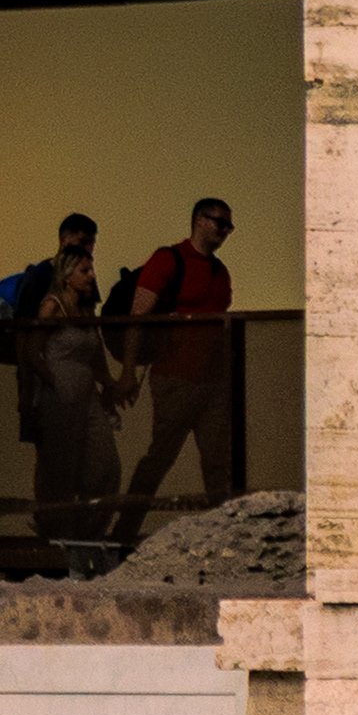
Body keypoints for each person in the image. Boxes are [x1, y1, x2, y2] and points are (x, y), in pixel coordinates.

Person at [0, 213, 120, 551]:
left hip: (84, 390)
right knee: (57, 466)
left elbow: (94, 342)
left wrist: (109, 383)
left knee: (102, 465)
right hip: (57, 391)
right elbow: (27, 343)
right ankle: (58, 538)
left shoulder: (85, 290)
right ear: (64, 240)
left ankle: (87, 535)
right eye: (80, 244)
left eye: (90, 245)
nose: (88, 258)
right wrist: (33, 391)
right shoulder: (42, 286)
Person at [109, 191, 238, 520]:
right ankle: (125, 531)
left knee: (218, 464)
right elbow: (136, 318)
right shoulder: (169, 259)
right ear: (199, 221)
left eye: (229, 226)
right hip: (174, 378)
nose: (225, 230)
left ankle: (224, 535)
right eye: (219, 223)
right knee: (161, 457)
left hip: (213, 382)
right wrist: (127, 374)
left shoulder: (220, 272)